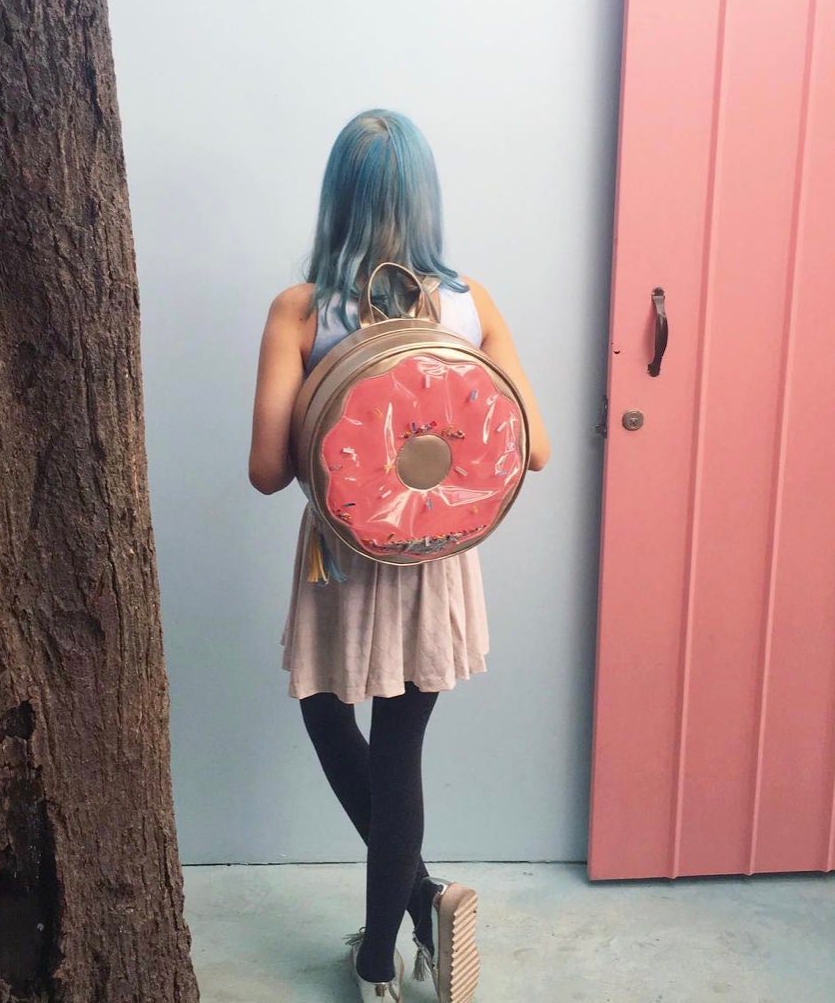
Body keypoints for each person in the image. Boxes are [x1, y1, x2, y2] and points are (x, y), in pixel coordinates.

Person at [248, 109, 550, 1002]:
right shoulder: (469, 303)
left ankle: (390, 944)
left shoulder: (301, 310)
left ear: (336, 195)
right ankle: (410, 915)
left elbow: (268, 471)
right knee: (400, 752)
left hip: (343, 562)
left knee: (330, 719)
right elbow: (531, 448)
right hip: (438, 559)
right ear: (425, 197)